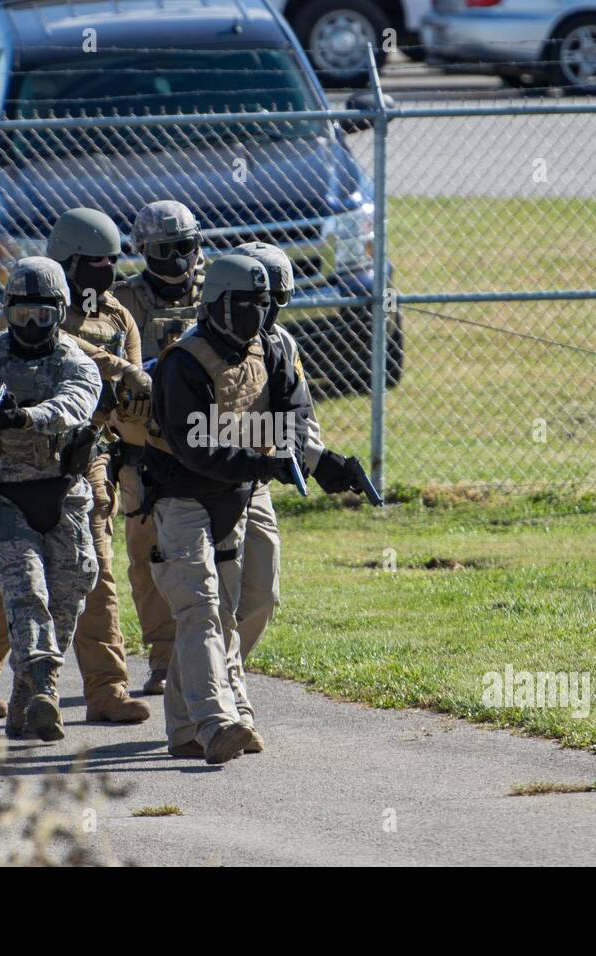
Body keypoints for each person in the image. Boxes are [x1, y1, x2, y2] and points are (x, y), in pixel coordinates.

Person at [0, 208, 152, 725]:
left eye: (111, 262)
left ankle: (104, 689)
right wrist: (3, 412)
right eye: (91, 263)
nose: (104, 272)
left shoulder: (117, 317)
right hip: (9, 478)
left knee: (90, 574)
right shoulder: (25, 312)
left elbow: (118, 384)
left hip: (83, 463)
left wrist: (128, 429)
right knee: (8, 584)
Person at [141, 254, 312, 765]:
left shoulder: (272, 349)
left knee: (253, 603)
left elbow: (295, 413)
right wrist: (266, 463)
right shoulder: (183, 362)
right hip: (184, 498)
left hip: (237, 495)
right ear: (215, 305)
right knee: (200, 609)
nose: (256, 316)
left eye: (263, 305)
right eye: (244, 305)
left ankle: (185, 728)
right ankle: (220, 721)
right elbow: (198, 447)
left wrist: (296, 455)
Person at [0, 256, 101, 741]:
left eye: (43, 315)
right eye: (21, 315)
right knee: (26, 589)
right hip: (5, 494)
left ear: (61, 313)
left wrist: (31, 418)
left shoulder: (75, 358)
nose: (31, 326)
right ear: (6, 311)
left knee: (76, 580)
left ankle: (25, 701)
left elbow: (78, 401)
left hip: (63, 492)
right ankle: (43, 684)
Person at [230, 241, 367, 663]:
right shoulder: (203, 344)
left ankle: (222, 672)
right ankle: (208, 690)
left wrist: (320, 461)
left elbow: (297, 414)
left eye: (275, 301)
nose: (266, 312)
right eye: (256, 300)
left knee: (263, 594)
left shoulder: (283, 344)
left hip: (255, 482)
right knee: (207, 605)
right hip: (200, 483)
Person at [112, 200, 206, 695]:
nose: (174, 260)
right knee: (149, 555)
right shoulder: (123, 301)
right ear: (142, 251)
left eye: (183, 248)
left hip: (210, 446)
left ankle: (214, 657)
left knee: (217, 555)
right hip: (144, 452)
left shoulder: (221, 292)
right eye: (160, 251)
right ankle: (166, 658)